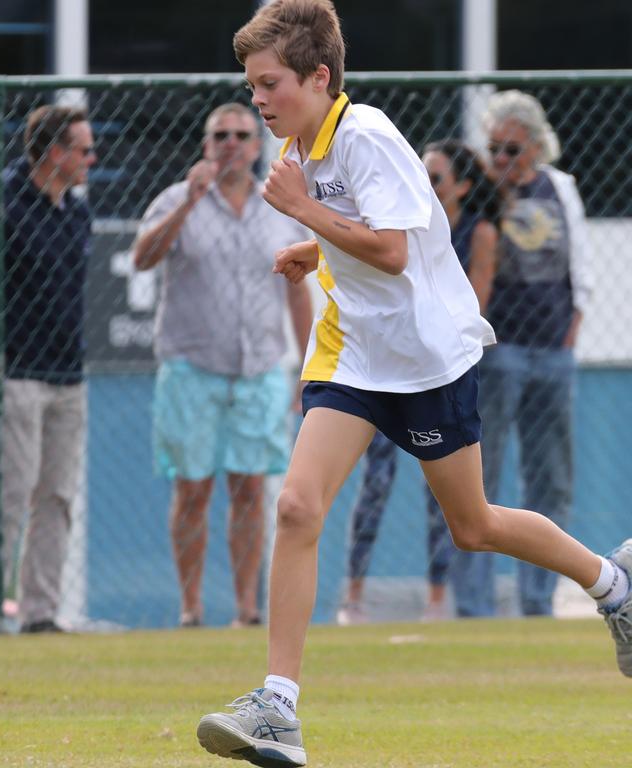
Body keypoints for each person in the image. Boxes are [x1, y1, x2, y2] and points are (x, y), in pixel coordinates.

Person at [196, 3, 631, 766]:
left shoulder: (363, 136)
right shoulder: (305, 142)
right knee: (297, 506)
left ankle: (613, 586)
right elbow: (361, 233)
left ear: (318, 77)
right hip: (354, 353)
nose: (257, 99)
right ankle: (278, 708)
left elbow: (395, 251)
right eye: (252, 85)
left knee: (475, 526)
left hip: (426, 360)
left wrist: (303, 215)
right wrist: (311, 246)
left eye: (269, 84)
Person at [133, 102, 313, 629]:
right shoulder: (176, 198)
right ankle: (191, 608)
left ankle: (246, 610)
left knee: (252, 489)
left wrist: (306, 364)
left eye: (241, 134)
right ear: (207, 145)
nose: (231, 143)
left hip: (258, 369)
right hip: (192, 367)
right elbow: (143, 257)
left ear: (257, 147)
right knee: (192, 489)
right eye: (221, 136)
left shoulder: (277, 205)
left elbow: (297, 291)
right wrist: (186, 206)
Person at [0, 105, 96, 635]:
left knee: (57, 495)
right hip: (16, 378)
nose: (91, 160)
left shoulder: (76, 213)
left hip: (66, 376)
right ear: (54, 153)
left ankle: (40, 614)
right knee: (12, 491)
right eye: (82, 150)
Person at [337, 140, 501, 625]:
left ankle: (436, 600)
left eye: (437, 178)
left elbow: (472, 298)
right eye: (422, 174)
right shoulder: (393, 219)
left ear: (462, 188)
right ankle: (353, 598)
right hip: (382, 370)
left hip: (435, 370)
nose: (425, 185)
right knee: (373, 486)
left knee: (458, 510)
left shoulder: (473, 230)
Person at [451, 90, 593, 618]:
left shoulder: (561, 188)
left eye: (511, 149)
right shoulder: (482, 194)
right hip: (498, 350)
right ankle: (473, 606)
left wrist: (573, 328)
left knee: (549, 477)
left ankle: (538, 601)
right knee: (478, 484)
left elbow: (578, 262)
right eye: (494, 149)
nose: (502, 161)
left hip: (553, 349)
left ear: (535, 147)